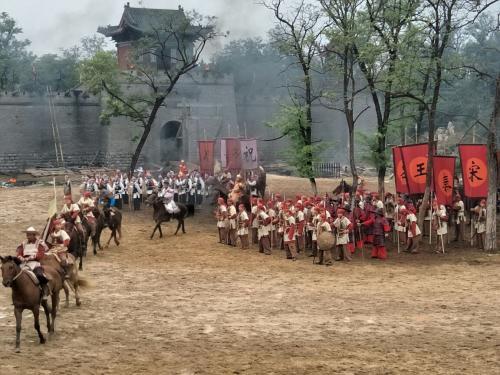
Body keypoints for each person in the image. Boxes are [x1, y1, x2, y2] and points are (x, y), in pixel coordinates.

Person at [16, 227, 50, 300]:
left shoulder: (40, 243)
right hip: (24, 264)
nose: (28, 236)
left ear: (34, 235)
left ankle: (44, 291)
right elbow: (19, 253)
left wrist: (30, 258)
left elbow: (40, 254)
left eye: (29, 235)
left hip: (35, 263)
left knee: (40, 275)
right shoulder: (23, 243)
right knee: (15, 276)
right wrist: (21, 258)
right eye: (27, 234)